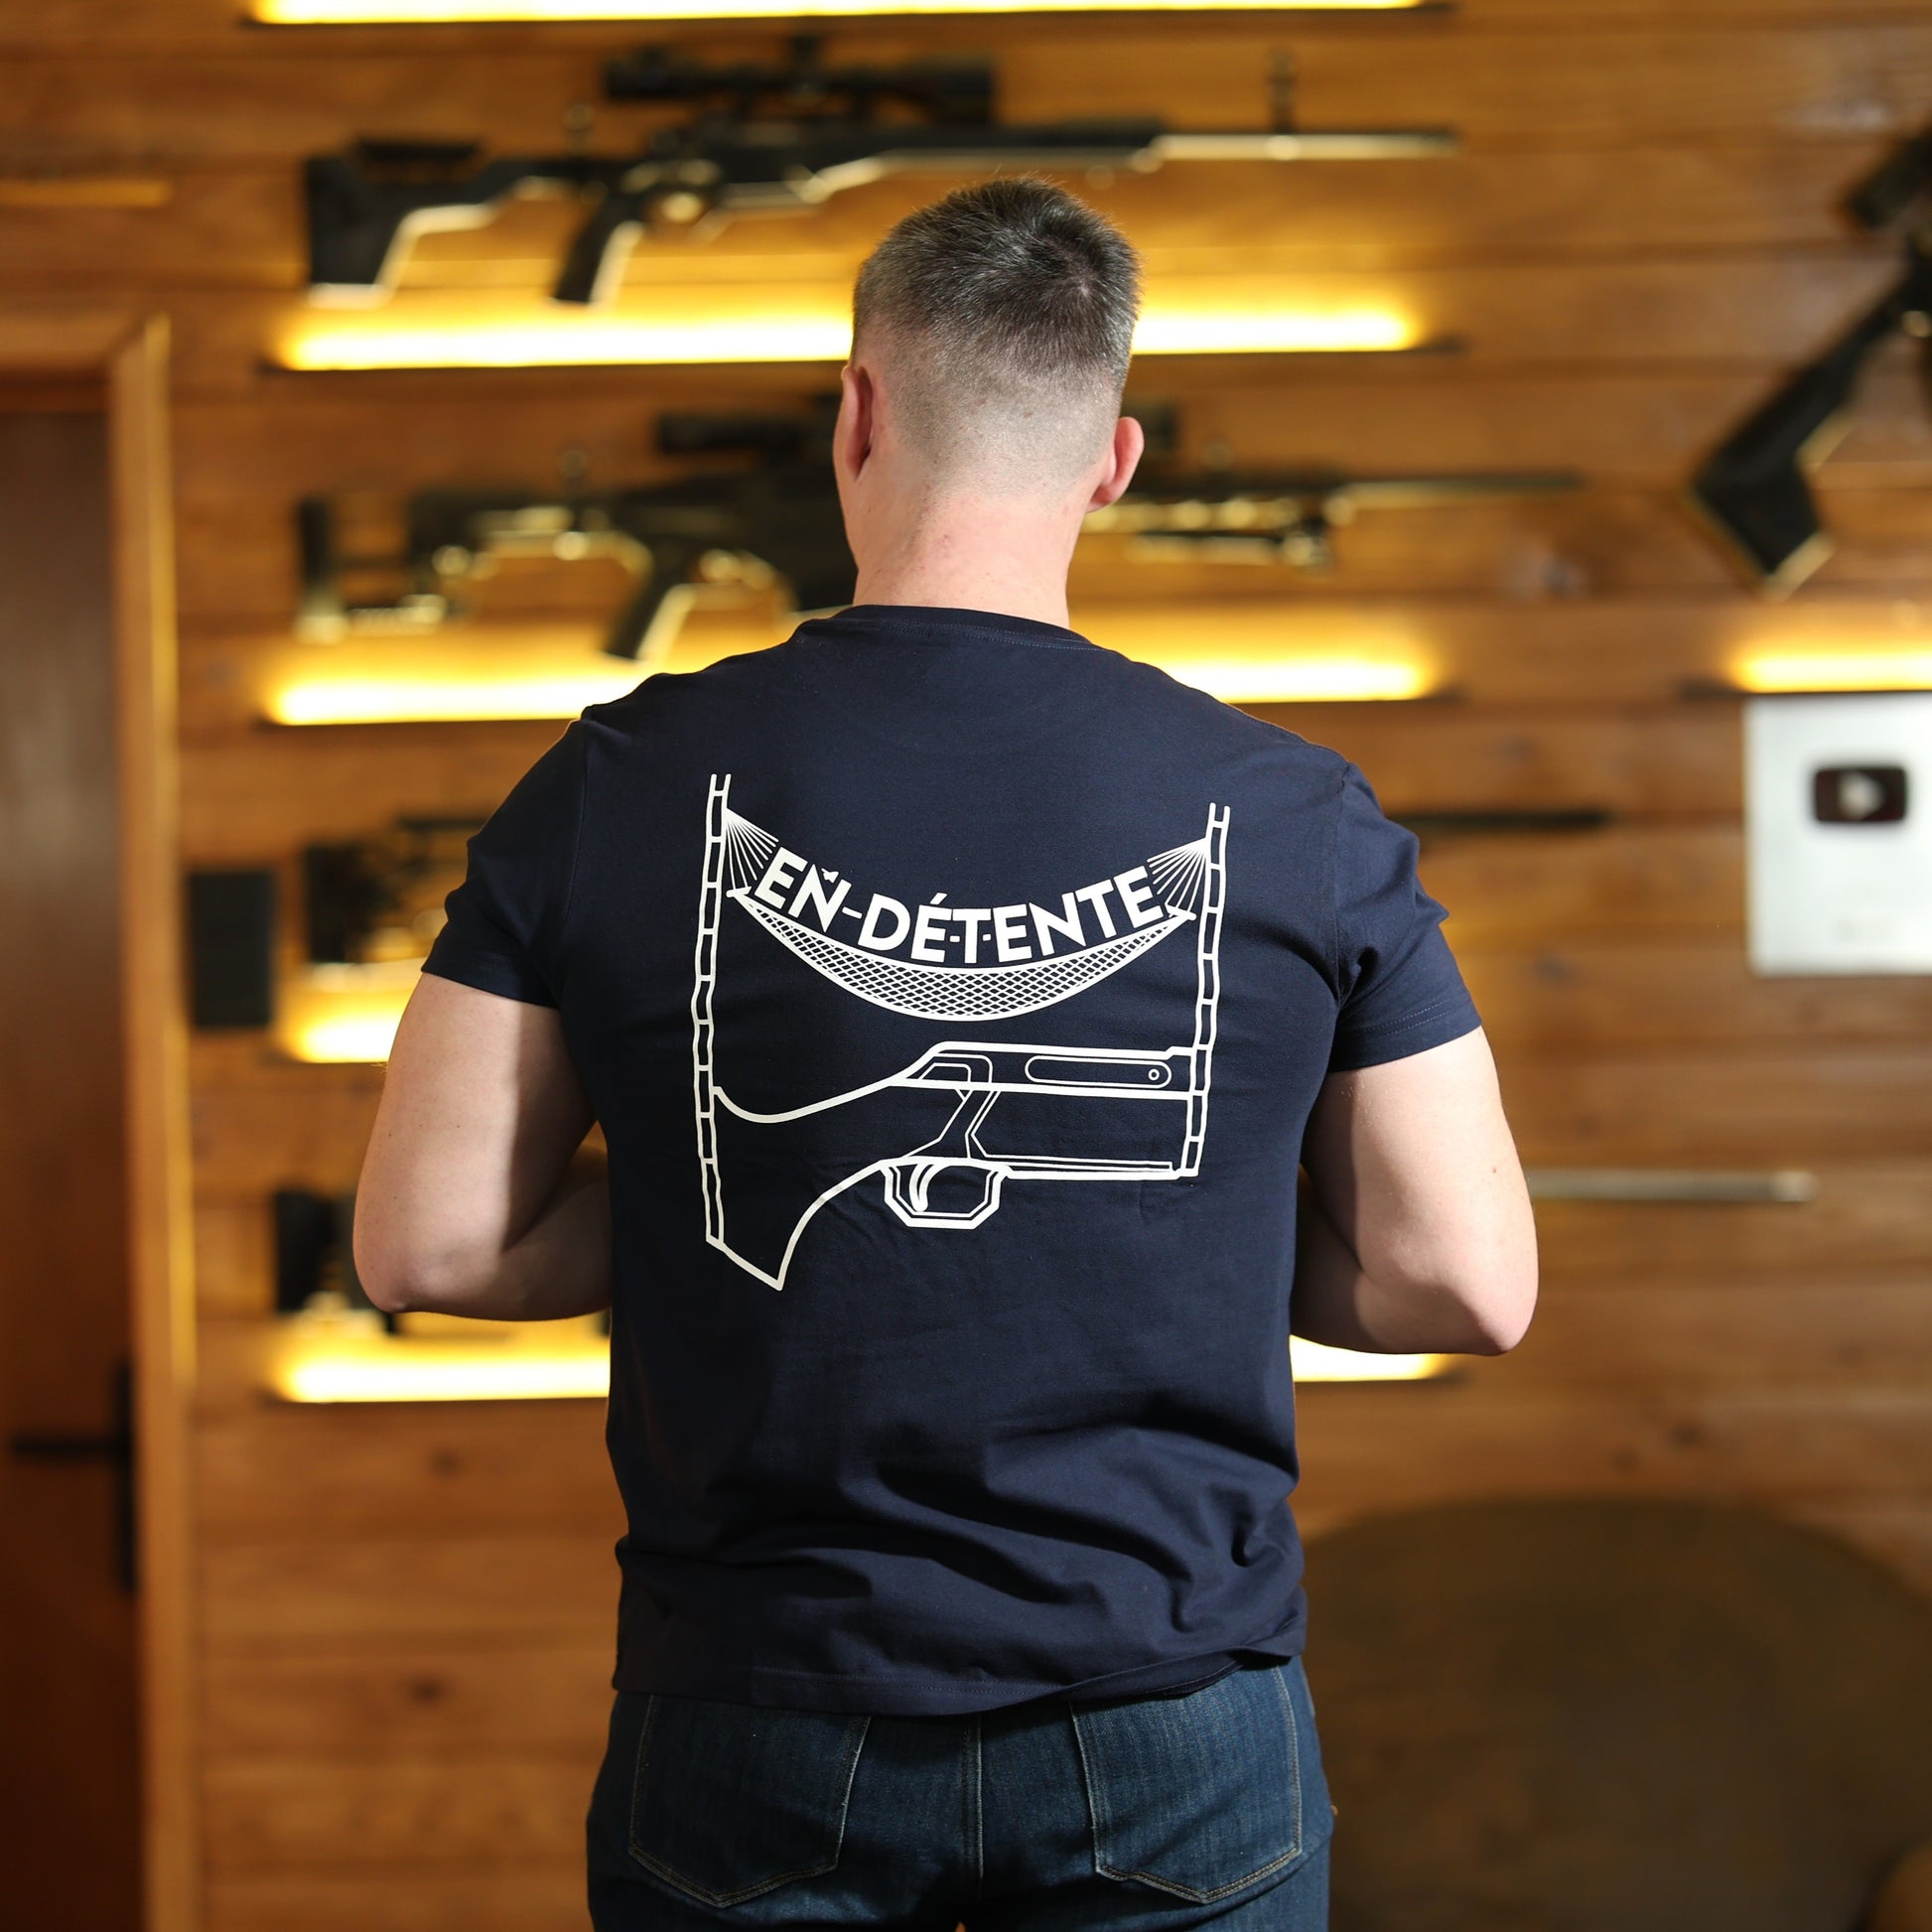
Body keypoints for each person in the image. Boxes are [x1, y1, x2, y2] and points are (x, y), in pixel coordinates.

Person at [353, 177, 1538, 1931]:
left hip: (751, 1703)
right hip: (1172, 1716)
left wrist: (706, 1199)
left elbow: (427, 1242)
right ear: (1113, 459)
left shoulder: (612, 780)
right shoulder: (1297, 810)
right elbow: (1467, 1280)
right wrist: (1176, 1226)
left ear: (855, 414)